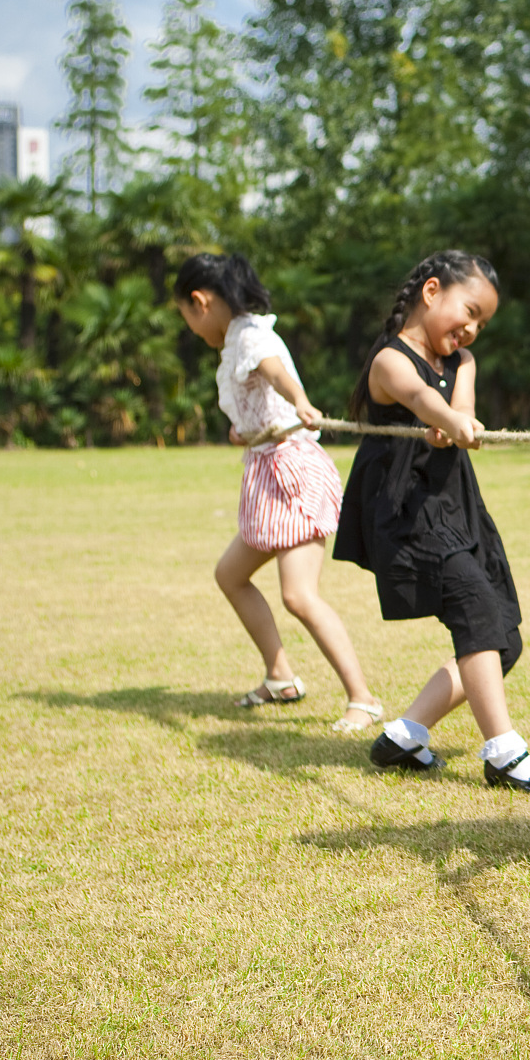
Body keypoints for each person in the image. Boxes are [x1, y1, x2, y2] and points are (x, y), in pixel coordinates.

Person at [333, 251, 530, 794]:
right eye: (470, 310)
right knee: (478, 614)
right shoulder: (390, 359)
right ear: (432, 291)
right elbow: (417, 397)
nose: (473, 328)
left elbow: (460, 409)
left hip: (456, 505)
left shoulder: (462, 363)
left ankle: (405, 734)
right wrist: (443, 419)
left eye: (483, 322)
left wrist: (455, 423)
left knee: (503, 635)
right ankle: (504, 752)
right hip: (407, 509)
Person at [173, 253, 384, 732]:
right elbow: (256, 397)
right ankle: (280, 676)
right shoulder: (235, 341)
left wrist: (301, 401)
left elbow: (274, 371)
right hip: (265, 472)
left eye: (186, 316)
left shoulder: (250, 336)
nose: (190, 327)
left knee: (299, 595)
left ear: (200, 302)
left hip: (292, 473)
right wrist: (243, 431)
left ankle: (363, 698)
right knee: (231, 574)